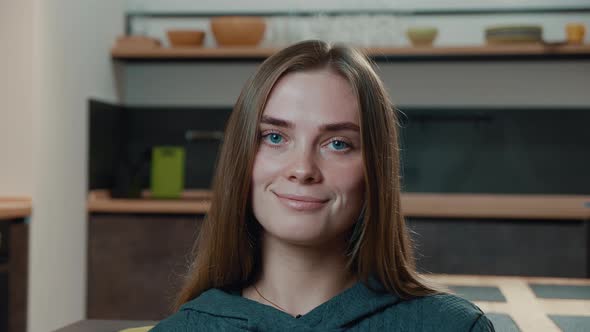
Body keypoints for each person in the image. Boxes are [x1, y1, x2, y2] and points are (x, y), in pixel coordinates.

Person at [151, 40, 494, 331]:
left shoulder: (453, 327)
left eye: (338, 143)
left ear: (375, 169)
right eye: (274, 137)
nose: (303, 169)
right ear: (242, 158)